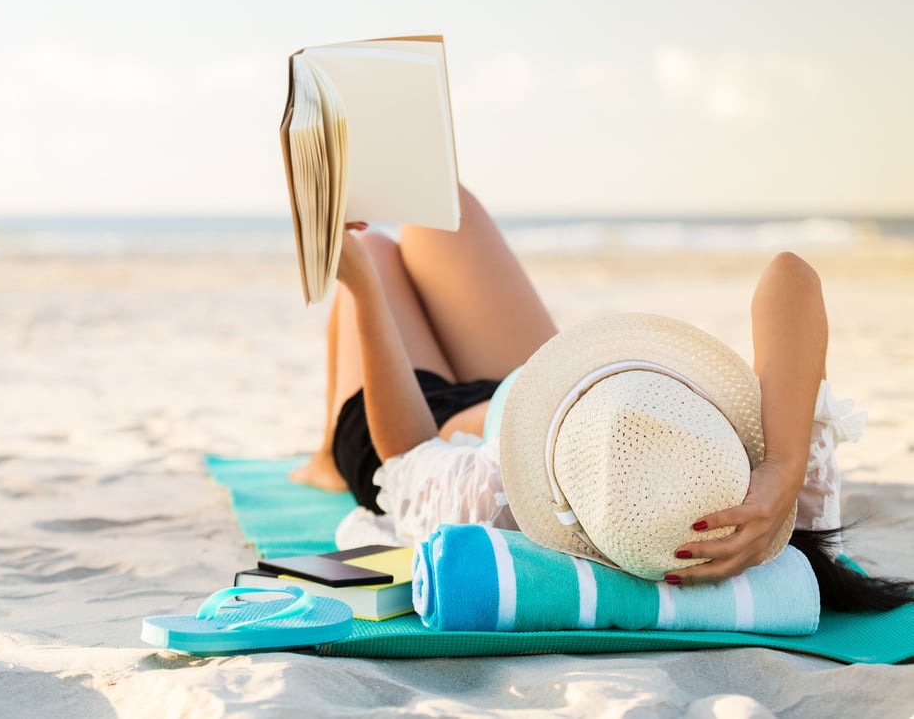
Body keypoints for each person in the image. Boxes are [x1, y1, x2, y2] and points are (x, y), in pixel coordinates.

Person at [291, 186, 913, 611]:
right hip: (544, 392)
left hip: (426, 414)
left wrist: (363, 289)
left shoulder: (494, 505)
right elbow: (791, 275)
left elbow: (405, 457)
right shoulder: (772, 499)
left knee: (372, 250)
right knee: (436, 208)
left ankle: (327, 452)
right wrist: (779, 468)